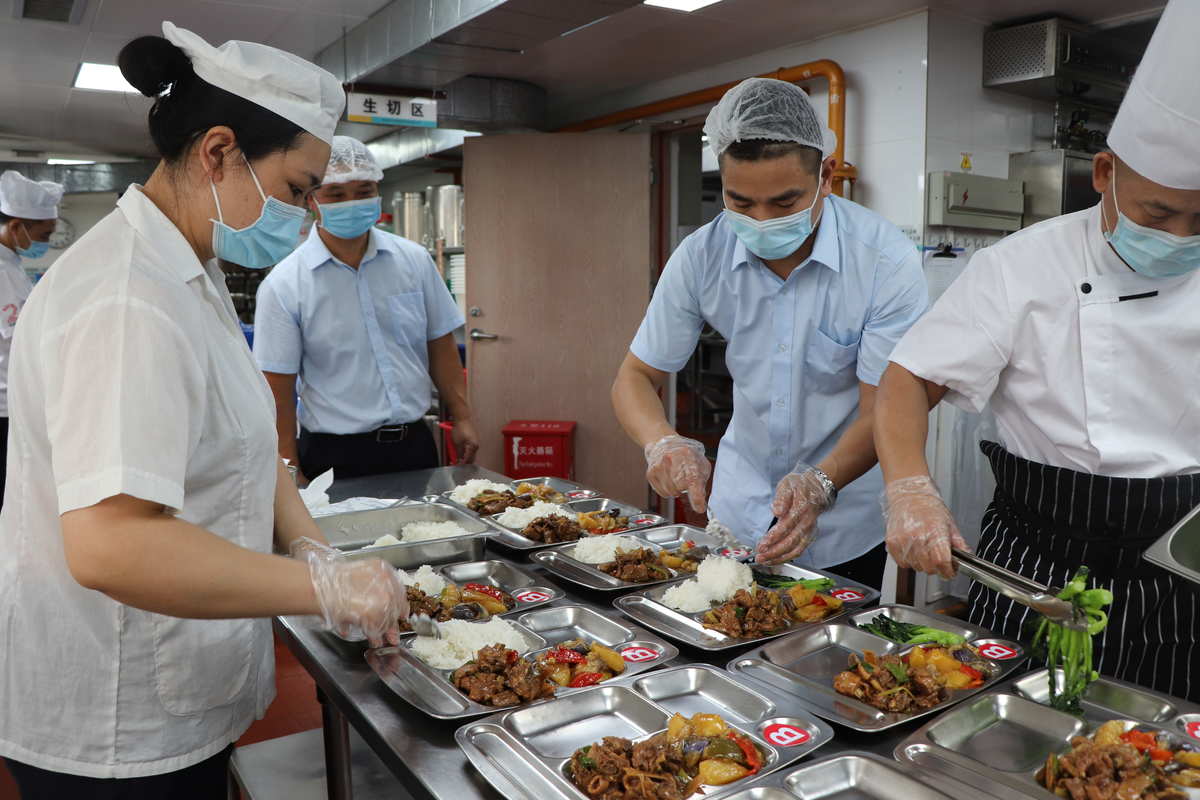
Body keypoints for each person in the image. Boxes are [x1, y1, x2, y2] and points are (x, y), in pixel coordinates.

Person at [0, 23, 408, 797]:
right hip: (113, 723)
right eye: (296, 189)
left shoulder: (192, 267)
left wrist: (317, 550)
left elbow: (251, 448)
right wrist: (319, 592)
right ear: (218, 151)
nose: (307, 212)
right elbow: (110, 547)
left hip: (169, 686)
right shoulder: (127, 298)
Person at [875, 0, 1200, 701]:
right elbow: (908, 378)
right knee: (1000, 747)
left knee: (1160, 760)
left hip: (1181, 577)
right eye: (1158, 214)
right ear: (1105, 172)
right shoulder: (1019, 267)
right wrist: (910, 490)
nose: (1179, 237)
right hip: (1036, 565)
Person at [611, 78, 927, 584]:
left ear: (825, 176)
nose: (761, 222)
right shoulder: (702, 255)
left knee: (826, 654)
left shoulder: (883, 261)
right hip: (739, 507)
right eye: (740, 203)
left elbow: (887, 406)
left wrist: (822, 481)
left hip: (843, 516)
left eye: (783, 204)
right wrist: (662, 442)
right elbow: (634, 376)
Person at [253, 136, 478, 484]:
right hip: (333, 455)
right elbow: (277, 387)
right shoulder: (285, 285)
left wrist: (462, 417)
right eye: (336, 194)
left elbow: (440, 345)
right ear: (312, 199)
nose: (352, 203)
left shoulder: (413, 261)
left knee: (424, 534)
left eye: (363, 191)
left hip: (414, 446)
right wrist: (288, 464)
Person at [0, 170, 62, 507]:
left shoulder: (12, 266)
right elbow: (18, 339)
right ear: (15, 227)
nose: (45, 243)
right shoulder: (1, 271)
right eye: (43, 234)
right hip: (5, 404)